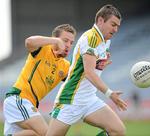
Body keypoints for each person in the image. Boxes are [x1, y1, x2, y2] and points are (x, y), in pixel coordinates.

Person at [46, 4, 127, 136]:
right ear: (100, 20)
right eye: (113, 24)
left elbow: (88, 68)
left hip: (89, 99)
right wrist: (110, 94)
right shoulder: (91, 38)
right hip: (71, 99)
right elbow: (89, 73)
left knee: (118, 131)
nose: (116, 29)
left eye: (117, 26)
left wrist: (101, 65)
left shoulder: (106, 41)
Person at [3, 24, 76, 136]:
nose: (68, 45)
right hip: (19, 99)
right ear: (55, 39)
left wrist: (97, 66)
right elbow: (29, 42)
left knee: (36, 134)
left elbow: (78, 79)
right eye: (65, 41)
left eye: (71, 43)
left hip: (28, 103)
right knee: (49, 133)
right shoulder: (43, 49)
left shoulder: (65, 66)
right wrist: (55, 41)